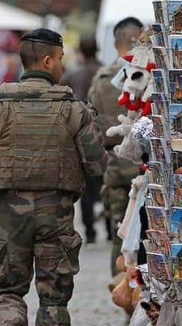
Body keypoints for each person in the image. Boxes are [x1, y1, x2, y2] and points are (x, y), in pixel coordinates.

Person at [0, 28, 106, 326]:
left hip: (10, 214)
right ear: (47, 60)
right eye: (59, 59)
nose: (62, 66)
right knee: (54, 293)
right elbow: (97, 164)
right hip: (56, 215)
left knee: (9, 287)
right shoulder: (73, 109)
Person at [87, 17, 144, 278]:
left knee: (119, 230)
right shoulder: (148, 76)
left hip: (113, 164)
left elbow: (92, 124)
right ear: (139, 40)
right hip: (143, 167)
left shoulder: (101, 79)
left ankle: (119, 285)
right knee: (146, 231)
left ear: (115, 43)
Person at [65, 34, 103, 244]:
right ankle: (109, 225)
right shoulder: (106, 72)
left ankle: (89, 231)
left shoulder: (72, 74)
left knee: (86, 187)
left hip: (79, 136)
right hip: (105, 137)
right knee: (104, 182)